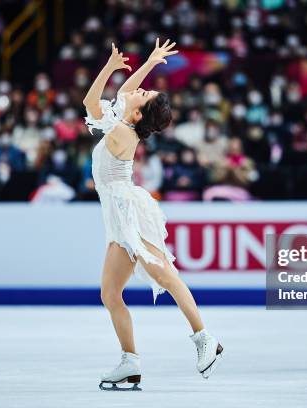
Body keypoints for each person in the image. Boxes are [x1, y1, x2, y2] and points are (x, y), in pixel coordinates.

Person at [82, 39, 223, 391]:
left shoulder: (120, 133)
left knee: (166, 275)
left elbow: (89, 102)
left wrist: (110, 69)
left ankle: (205, 338)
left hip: (130, 213)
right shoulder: (125, 123)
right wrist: (148, 62)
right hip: (116, 216)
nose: (137, 90)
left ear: (138, 114)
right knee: (110, 294)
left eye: (142, 95)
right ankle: (130, 362)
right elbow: (127, 92)